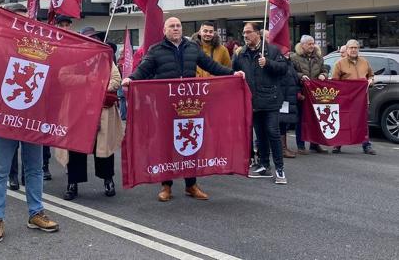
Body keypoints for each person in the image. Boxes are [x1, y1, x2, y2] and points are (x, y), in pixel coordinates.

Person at [122, 17, 243, 201]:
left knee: (191, 147)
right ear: (165, 30)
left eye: (178, 25)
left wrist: (232, 74)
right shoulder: (156, 50)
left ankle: (191, 185)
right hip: (165, 106)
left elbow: (211, 66)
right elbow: (144, 69)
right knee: (166, 145)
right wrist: (131, 79)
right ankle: (166, 186)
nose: (176, 28)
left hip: (189, 106)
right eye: (172, 26)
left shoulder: (192, 47)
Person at [0, 2, 59, 244]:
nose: (19, 25)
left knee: (34, 169)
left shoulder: (38, 45)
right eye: (14, 20)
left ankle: (36, 213)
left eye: (23, 20)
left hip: (33, 117)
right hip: (5, 117)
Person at [62, 26, 123, 201]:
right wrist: (87, 80)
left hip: (101, 109)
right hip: (78, 110)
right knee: (76, 148)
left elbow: (116, 79)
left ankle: (108, 180)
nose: (93, 41)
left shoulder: (106, 59)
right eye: (89, 38)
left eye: (95, 38)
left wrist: (100, 87)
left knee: (103, 148)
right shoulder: (73, 58)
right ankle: (72, 183)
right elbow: (63, 76)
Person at [232, 22, 289, 184]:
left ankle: (280, 168)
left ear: (257, 33)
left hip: (270, 99)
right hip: (252, 100)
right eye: (243, 32)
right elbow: (233, 71)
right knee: (260, 133)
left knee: (272, 132)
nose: (245, 35)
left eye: (248, 32)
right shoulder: (240, 53)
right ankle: (264, 164)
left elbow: (285, 68)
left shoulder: (271, 50)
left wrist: (269, 63)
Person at [331, 39, 377, 155]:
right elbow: (335, 83)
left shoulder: (365, 62)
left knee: (363, 122)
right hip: (346, 99)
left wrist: (371, 80)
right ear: (346, 50)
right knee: (343, 120)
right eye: (351, 48)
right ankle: (338, 144)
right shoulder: (339, 64)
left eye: (355, 48)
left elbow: (371, 75)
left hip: (361, 99)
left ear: (358, 49)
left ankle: (366, 145)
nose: (353, 50)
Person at [290, 35, 328, 154]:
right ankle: (300, 146)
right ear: (302, 45)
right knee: (301, 120)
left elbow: (324, 70)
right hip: (301, 92)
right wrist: (301, 76)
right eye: (309, 44)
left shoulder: (318, 58)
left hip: (315, 94)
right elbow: (291, 73)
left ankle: (314, 144)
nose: (312, 46)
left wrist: (324, 75)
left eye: (313, 43)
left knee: (316, 119)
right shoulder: (294, 58)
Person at [279, 54, 300, 158]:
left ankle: (283, 147)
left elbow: (294, 78)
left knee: (283, 123)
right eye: (285, 51)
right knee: (280, 123)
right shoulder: (279, 64)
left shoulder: (289, 63)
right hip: (281, 97)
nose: (287, 53)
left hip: (288, 97)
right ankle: (281, 149)